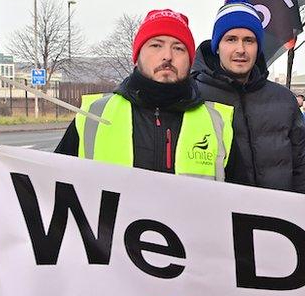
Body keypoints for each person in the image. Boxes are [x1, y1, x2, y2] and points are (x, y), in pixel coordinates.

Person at [54, 9, 234, 178]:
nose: (167, 56)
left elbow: (241, 198)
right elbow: (52, 185)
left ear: (190, 61)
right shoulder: (93, 115)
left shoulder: (216, 122)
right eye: (156, 45)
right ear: (137, 56)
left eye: (178, 48)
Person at [191, 0, 305, 193]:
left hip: (279, 217)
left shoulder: (284, 100)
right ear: (217, 45)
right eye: (231, 39)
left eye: (249, 40)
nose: (241, 49)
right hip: (216, 217)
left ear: (258, 47)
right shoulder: (193, 96)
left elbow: (303, 168)